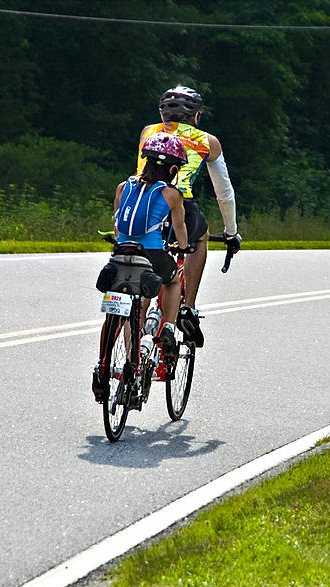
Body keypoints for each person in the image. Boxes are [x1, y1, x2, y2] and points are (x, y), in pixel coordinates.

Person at [137, 85, 241, 346]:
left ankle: (137, 325)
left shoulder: (148, 132)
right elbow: (224, 192)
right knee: (200, 236)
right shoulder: (207, 141)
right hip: (177, 201)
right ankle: (188, 308)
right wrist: (231, 232)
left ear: (162, 115)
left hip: (140, 200)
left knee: (145, 254)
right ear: (196, 116)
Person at [94, 134, 187, 402]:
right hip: (152, 256)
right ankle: (168, 328)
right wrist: (184, 247)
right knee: (171, 280)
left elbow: (117, 223)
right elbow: (179, 230)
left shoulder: (124, 187)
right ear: (173, 169)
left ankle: (102, 366)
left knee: (117, 310)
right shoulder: (171, 194)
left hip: (121, 256)